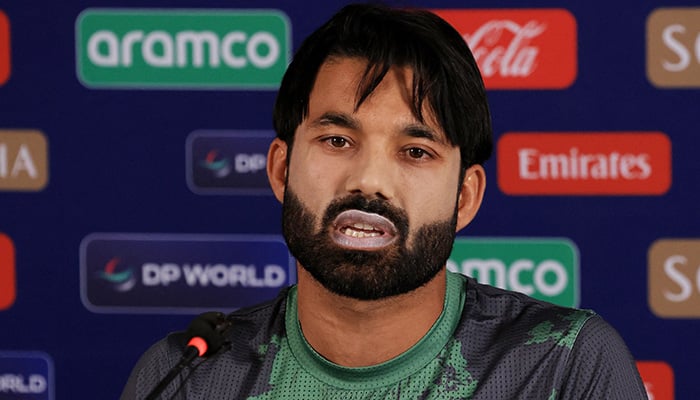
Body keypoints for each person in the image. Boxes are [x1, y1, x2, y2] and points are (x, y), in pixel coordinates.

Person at [121, 3, 648, 399]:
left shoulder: (567, 365)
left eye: (415, 151)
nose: (370, 181)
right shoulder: (187, 378)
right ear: (282, 169)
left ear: (465, 197)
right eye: (337, 141)